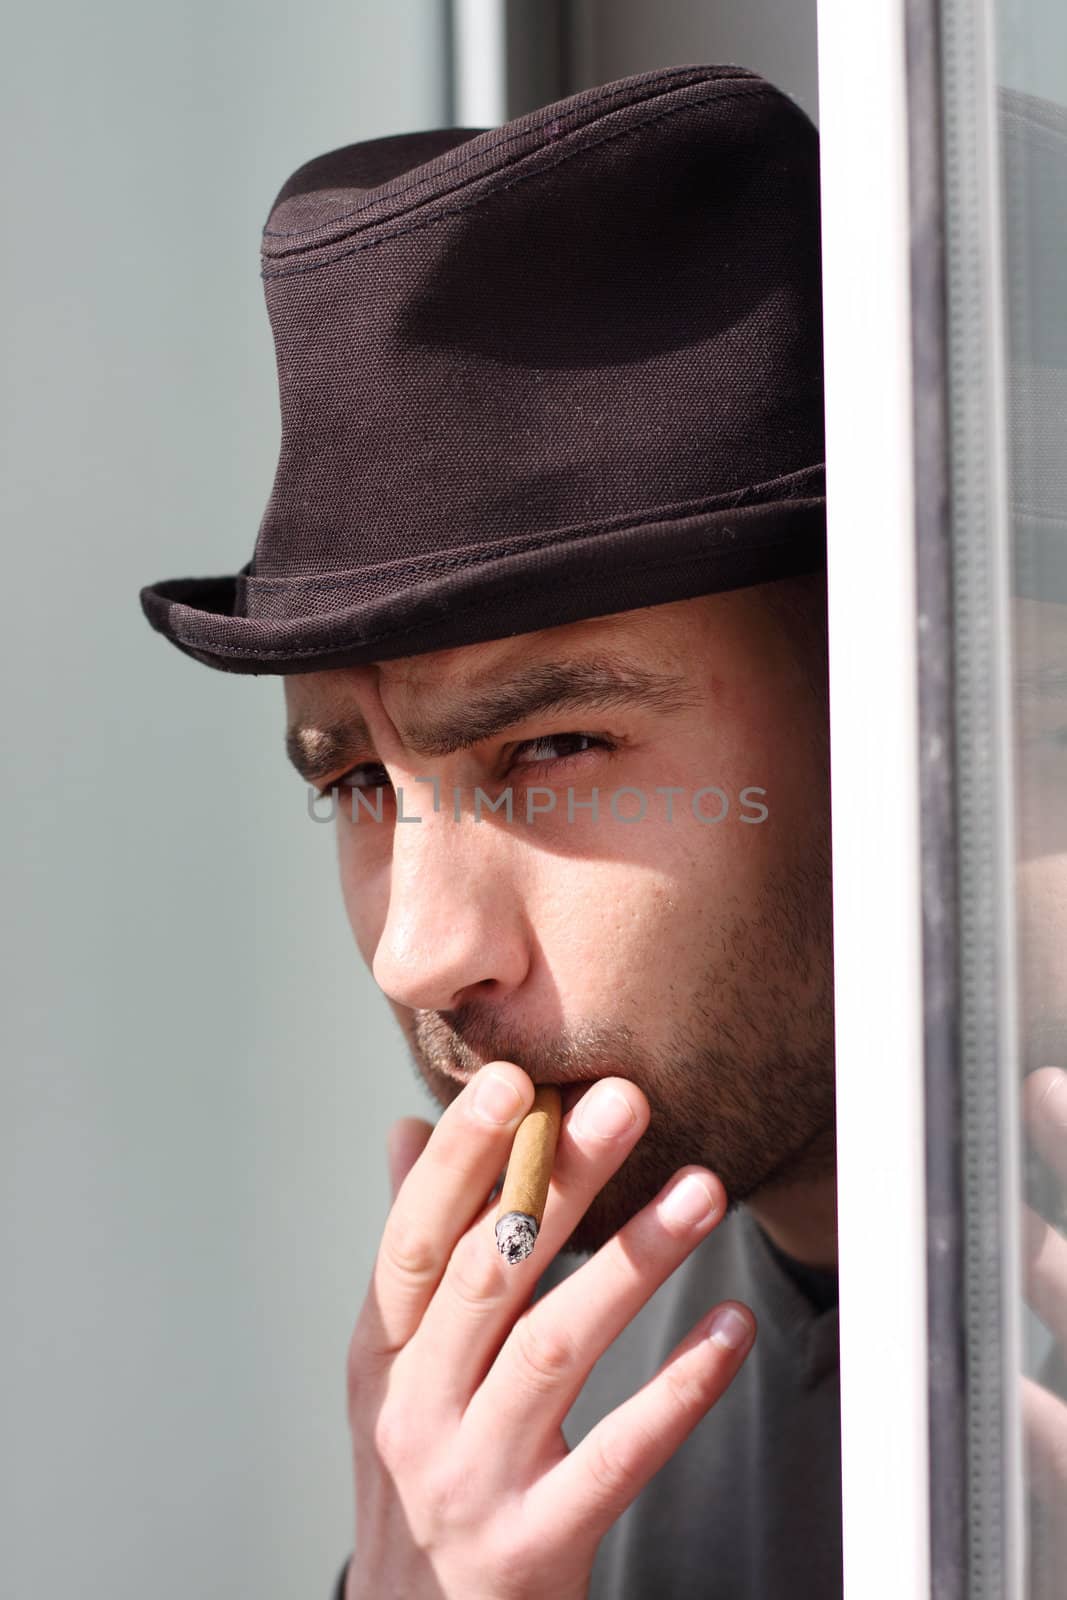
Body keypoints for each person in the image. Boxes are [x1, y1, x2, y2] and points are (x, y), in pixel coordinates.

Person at [139, 65, 842, 1597]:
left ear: (887, 722)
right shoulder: (523, 1425)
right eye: (357, 787)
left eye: (552, 746)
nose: (419, 950)